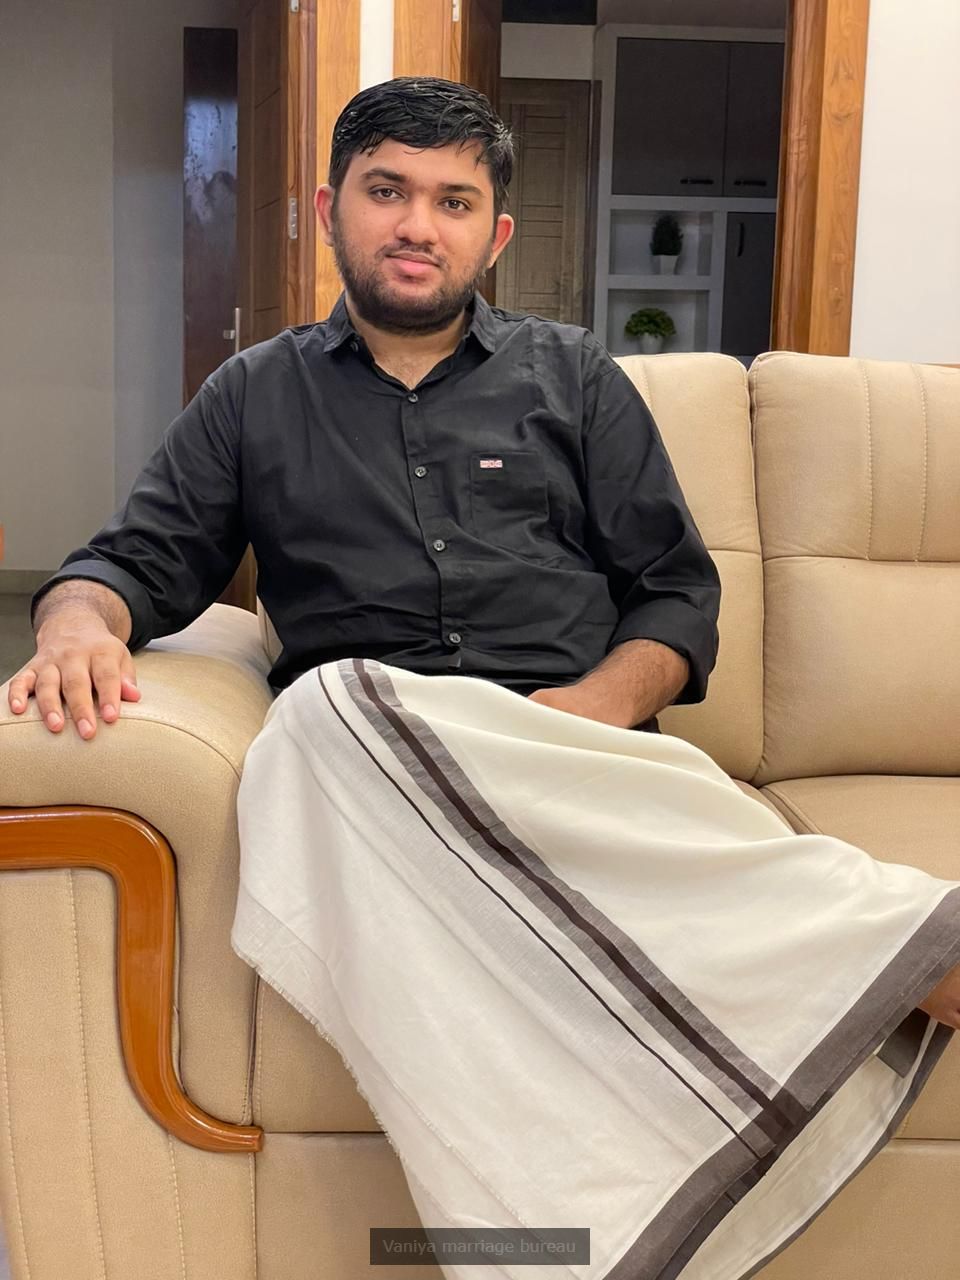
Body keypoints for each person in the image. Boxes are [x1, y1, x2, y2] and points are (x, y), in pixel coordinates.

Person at [7, 77, 959, 1021]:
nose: (418, 226)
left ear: (495, 235)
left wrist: (595, 710)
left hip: (572, 746)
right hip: (379, 747)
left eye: (453, 202)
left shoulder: (575, 376)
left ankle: (846, 938)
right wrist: (77, 625)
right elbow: (133, 562)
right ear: (332, 211)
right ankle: (871, 942)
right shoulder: (253, 392)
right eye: (387, 191)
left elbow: (675, 592)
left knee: (647, 821)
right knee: (321, 714)